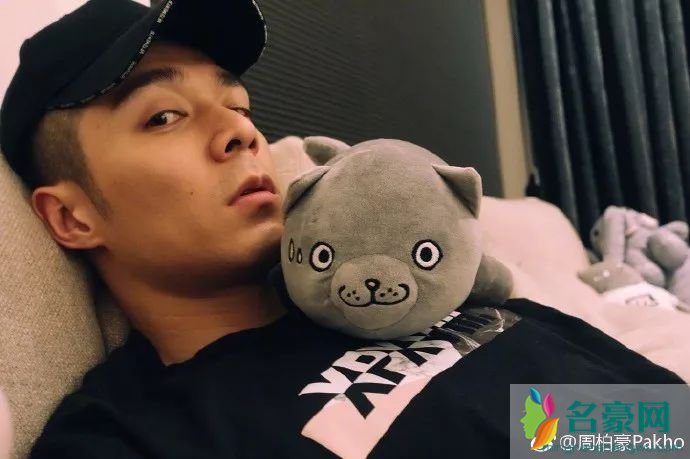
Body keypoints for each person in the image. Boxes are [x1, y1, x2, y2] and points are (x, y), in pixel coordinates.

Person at [0, 0, 684, 457]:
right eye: (164, 116)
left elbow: (642, 429)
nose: (240, 132)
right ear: (71, 216)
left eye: (239, 105)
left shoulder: (427, 289)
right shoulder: (131, 435)